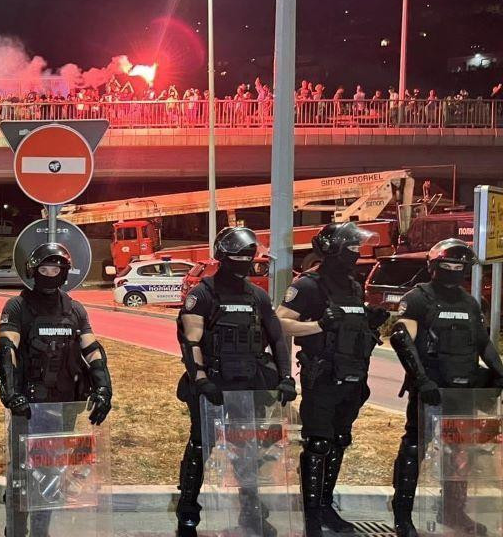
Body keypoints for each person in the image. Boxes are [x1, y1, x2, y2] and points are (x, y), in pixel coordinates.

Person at [175, 227, 295, 537]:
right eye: (237, 256)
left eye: (247, 257)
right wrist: (200, 380)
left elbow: (277, 338)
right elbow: (191, 341)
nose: (243, 262)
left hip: (248, 387)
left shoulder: (257, 296)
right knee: (201, 446)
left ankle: (252, 513)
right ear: (222, 257)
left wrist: (286, 378)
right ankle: (188, 512)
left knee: (249, 450)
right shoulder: (202, 294)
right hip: (212, 385)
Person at [275, 222, 388, 536]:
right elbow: (280, 321)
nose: (355, 252)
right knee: (318, 443)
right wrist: (319, 325)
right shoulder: (309, 284)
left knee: (339, 441)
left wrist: (370, 321)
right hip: (321, 377)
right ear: (331, 249)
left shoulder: (353, 285)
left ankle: (325, 507)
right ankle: (311, 516)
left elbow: (350, 326)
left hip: (352, 376)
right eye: (350, 247)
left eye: (357, 247)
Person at [0, 242, 113, 537]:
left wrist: (103, 388)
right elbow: (7, 349)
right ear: (34, 271)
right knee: (22, 478)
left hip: (63, 408)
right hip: (27, 409)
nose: (51, 274)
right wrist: (10, 393)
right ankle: (16, 531)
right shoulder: (17, 307)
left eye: (57, 268)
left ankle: (41, 532)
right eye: (45, 268)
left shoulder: (74, 309)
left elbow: (93, 349)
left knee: (51, 478)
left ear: (64, 273)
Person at [387, 239, 503, 537]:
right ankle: (402, 514)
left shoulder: (470, 302)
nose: (452, 271)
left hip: (463, 390)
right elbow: (401, 338)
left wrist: (500, 372)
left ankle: (453, 511)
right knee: (415, 447)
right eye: (447, 266)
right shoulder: (418, 298)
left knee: (460, 452)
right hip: (431, 389)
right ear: (433, 266)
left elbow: (483, 343)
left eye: (458, 267)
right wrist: (420, 379)